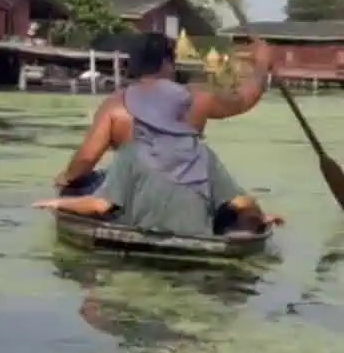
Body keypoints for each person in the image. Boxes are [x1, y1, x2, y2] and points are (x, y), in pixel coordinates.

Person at [33, 32, 283, 236]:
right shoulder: (197, 98)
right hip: (186, 187)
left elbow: (85, 162)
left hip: (131, 193)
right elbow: (244, 99)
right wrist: (261, 65)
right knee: (223, 198)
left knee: (79, 185)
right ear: (166, 63)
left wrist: (65, 181)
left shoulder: (116, 105)